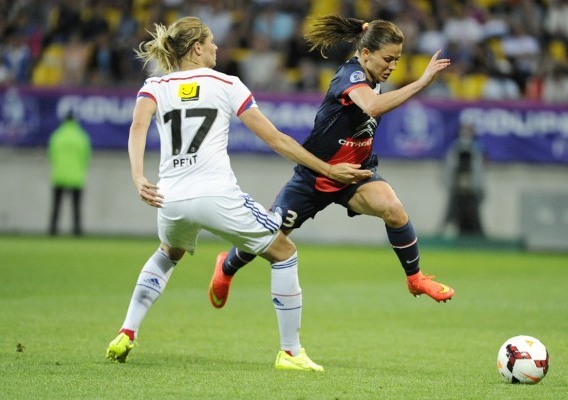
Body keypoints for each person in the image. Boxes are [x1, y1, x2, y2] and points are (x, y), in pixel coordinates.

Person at [105, 16, 370, 371]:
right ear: (197, 47)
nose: (217, 47)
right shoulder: (227, 83)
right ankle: (290, 353)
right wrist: (327, 169)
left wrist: (138, 178)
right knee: (285, 252)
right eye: (211, 41)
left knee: (169, 253)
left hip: (169, 199)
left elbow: (138, 126)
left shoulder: (156, 85)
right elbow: (276, 139)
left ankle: (126, 331)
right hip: (216, 196)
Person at [209, 15, 455, 321]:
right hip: (314, 176)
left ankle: (415, 278)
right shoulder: (349, 76)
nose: (392, 66)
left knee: (392, 208)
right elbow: (373, 107)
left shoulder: (374, 78)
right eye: (388, 59)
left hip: (354, 175)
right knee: (270, 235)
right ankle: (226, 266)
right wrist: (422, 82)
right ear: (365, 54)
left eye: (398, 59)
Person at [48, 111, 92, 236]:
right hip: (76, 176)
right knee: (76, 207)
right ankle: (77, 231)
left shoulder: (57, 136)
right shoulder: (81, 137)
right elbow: (86, 156)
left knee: (56, 206)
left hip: (59, 176)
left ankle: (52, 231)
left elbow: (52, 155)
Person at [442, 123, 485, 237]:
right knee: (451, 216)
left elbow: (478, 171)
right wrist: (449, 184)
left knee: (474, 217)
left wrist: (479, 188)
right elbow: (449, 168)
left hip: (472, 190)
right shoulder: (454, 148)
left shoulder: (476, 149)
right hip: (456, 189)